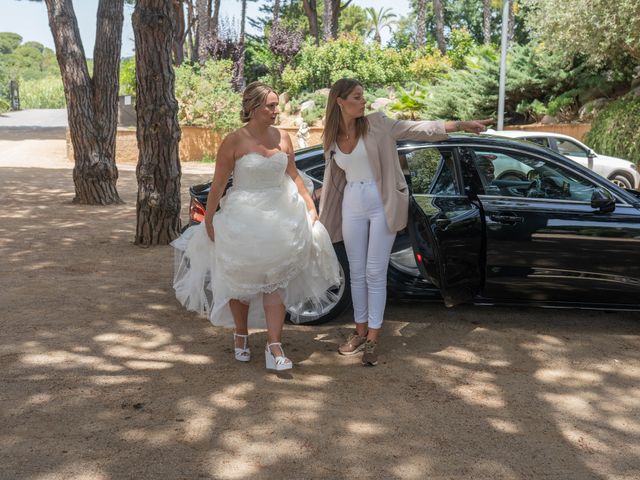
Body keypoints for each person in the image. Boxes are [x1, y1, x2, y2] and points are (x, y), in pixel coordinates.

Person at [319, 78, 492, 366]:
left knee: (375, 272)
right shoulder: (331, 136)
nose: (364, 101)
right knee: (357, 272)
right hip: (352, 201)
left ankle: (373, 336)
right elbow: (334, 176)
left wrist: (460, 124)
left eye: (363, 96)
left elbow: (418, 128)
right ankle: (359, 332)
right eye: (358, 96)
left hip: (381, 200)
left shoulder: (377, 124)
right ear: (340, 101)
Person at [172, 82, 340, 372]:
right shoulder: (234, 141)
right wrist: (209, 218)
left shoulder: (284, 139)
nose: (277, 111)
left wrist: (310, 205)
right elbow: (219, 183)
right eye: (271, 106)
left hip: (280, 217)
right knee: (241, 283)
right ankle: (241, 333)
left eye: (276, 105)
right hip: (242, 219)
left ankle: (274, 346)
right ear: (252, 108)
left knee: (276, 283)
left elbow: (294, 176)